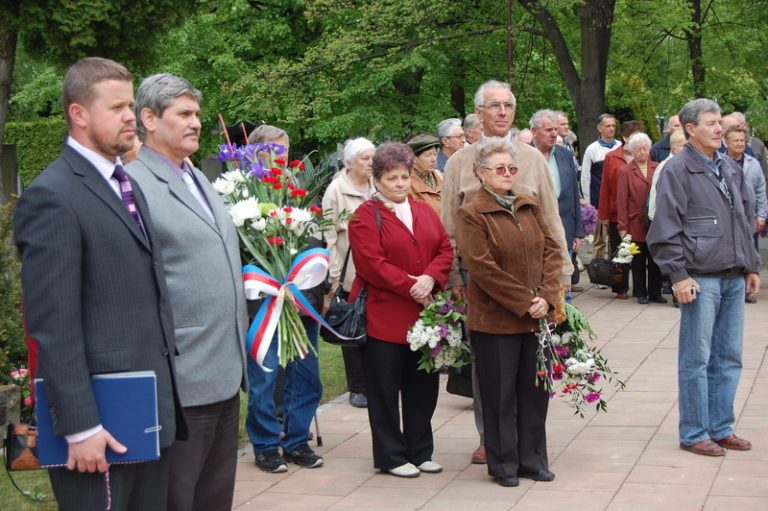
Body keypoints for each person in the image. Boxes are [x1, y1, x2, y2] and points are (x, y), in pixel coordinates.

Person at [13, 57, 186, 511]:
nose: (131, 116)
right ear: (79, 114)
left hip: (145, 412)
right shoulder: (52, 196)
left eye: (131, 105)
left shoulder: (122, 182)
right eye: (118, 108)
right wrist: (80, 426)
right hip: (98, 427)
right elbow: (53, 324)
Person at [124, 73, 247, 511]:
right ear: (149, 119)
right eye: (184, 114)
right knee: (179, 496)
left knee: (215, 496)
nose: (195, 123)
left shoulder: (196, 175)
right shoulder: (134, 185)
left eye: (196, 114)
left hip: (224, 368)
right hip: (183, 374)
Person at [441, 79, 572, 466]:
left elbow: (550, 218)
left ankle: (527, 446)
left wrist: (560, 278)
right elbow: (448, 224)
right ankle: (492, 438)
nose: (501, 112)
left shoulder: (531, 159)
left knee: (532, 368)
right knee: (490, 369)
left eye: (508, 105)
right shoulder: (460, 164)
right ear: (479, 114)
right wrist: (451, 279)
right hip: (480, 281)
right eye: (493, 106)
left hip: (535, 284)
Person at [647, 98, 761, 457]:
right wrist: (678, 274)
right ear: (689, 129)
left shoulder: (729, 166)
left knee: (729, 357)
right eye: (711, 124)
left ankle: (721, 427)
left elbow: (744, 218)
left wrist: (751, 265)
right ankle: (695, 431)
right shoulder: (677, 170)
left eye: (720, 124)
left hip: (732, 275)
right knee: (696, 359)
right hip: (700, 278)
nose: (719, 129)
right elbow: (664, 228)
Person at [455, 139, 560, 487]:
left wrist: (545, 296)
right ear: (480, 173)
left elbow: (552, 250)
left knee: (534, 392)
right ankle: (504, 465)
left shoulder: (528, 204)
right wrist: (525, 301)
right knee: (499, 396)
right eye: (499, 169)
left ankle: (532, 460)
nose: (507, 174)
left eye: (512, 169)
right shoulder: (472, 212)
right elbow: (481, 268)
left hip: (535, 316)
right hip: (496, 321)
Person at [348, 142, 453, 478]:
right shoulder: (365, 215)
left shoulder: (423, 210)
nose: (400, 184)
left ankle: (420, 451)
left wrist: (430, 278)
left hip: (423, 318)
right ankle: (392, 455)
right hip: (385, 318)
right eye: (391, 178)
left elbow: (444, 248)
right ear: (376, 180)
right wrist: (413, 286)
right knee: (384, 389)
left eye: (405, 177)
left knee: (423, 386)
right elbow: (372, 265)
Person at [244, 125, 325, 473]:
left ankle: (296, 439)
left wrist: (310, 291)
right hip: (264, 300)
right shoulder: (243, 195)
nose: (283, 157)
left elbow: (313, 243)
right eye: (275, 150)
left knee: (306, 375)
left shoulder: (296, 192)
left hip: (300, 298)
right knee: (265, 378)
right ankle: (265, 443)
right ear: (256, 152)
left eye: (286, 149)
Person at [322, 137, 376, 408]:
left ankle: (378, 381)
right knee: (352, 327)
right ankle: (358, 387)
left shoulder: (378, 185)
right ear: (349, 162)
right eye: (366, 159)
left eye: (372, 158)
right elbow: (329, 237)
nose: (371, 163)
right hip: (350, 273)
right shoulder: (336, 191)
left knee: (377, 328)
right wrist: (333, 278)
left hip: (379, 272)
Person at [530, 109, 584, 303]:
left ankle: (564, 329)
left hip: (564, 229)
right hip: (533, 229)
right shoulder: (522, 156)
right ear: (534, 131)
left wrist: (578, 232)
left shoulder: (564, 155)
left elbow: (573, 195)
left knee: (565, 286)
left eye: (555, 129)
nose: (554, 133)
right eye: (548, 130)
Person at [598, 120, 645, 299]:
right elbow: (605, 187)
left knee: (638, 251)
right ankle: (621, 286)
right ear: (625, 138)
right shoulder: (612, 157)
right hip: (616, 211)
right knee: (621, 250)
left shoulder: (645, 155)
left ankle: (640, 287)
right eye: (633, 137)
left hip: (638, 212)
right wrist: (603, 214)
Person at [616, 133, 664, 304]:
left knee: (655, 259)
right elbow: (621, 200)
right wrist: (622, 226)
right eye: (638, 149)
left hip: (654, 222)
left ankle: (655, 292)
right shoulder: (625, 171)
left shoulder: (658, 167)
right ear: (632, 151)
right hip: (634, 221)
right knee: (637, 260)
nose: (642, 152)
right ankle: (640, 292)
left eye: (645, 149)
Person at [722, 125, 767, 303]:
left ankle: (747, 290)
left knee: (749, 253)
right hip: (728, 218)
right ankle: (730, 288)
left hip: (749, 220)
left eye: (742, 140)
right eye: (736, 140)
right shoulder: (719, 163)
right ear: (727, 142)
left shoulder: (753, 164)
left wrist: (761, 216)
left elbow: (760, 192)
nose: (740, 143)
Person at [581, 114, 620, 208]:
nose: (611, 129)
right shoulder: (592, 149)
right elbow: (585, 176)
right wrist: (587, 202)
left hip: (618, 199)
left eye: (613, 126)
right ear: (599, 128)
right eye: (608, 126)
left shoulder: (620, 146)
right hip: (598, 199)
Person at [405, 132, 443, 215]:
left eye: (435, 154)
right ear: (414, 158)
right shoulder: (406, 183)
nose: (433, 159)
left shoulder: (440, 177)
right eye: (428, 155)